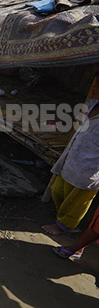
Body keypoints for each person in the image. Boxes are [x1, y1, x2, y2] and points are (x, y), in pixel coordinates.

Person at [42, 96, 99, 235]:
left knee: (76, 203)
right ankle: (61, 218)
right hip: (72, 159)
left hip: (89, 169)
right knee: (58, 190)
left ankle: (64, 226)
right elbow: (79, 123)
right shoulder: (92, 104)